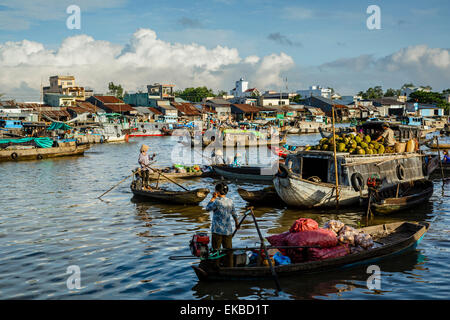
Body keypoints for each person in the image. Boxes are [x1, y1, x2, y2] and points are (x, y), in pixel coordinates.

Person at [205, 183, 239, 268]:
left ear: (217, 192)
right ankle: (229, 267)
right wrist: (237, 223)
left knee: (216, 251)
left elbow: (207, 208)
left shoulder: (217, 201)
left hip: (217, 231)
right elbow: (234, 214)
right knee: (228, 251)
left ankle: (216, 267)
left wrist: (213, 198)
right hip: (228, 231)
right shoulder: (230, 201)